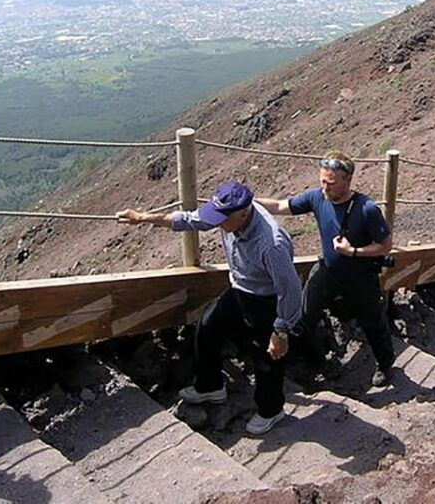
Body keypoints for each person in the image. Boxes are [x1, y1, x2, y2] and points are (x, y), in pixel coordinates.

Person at [116, 182, 302, 435]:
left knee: (266, 357)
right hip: (240, 289)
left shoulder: (271, 243)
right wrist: (145, 217)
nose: (216, 224)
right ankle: (211, 386)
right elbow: (194, 221)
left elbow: (290, 291)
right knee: (208, 325)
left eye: (221, 219)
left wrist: (281, 331)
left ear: (243, 214)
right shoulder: (231, 217)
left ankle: (271, 410)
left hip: (266, 300)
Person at [258, 151, 395, 387]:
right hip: (328, 271)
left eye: (330, 183)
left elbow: (385, 245)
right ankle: (310, 360)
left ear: (347, 181)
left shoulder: (367, 209)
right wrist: (248, 201)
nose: (325, 187)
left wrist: (353, 252)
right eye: (322, 180)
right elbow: (282, 206)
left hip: (361, 276)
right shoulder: (317, 197)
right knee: (302, 315)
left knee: (373, 322)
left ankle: (384, 363)